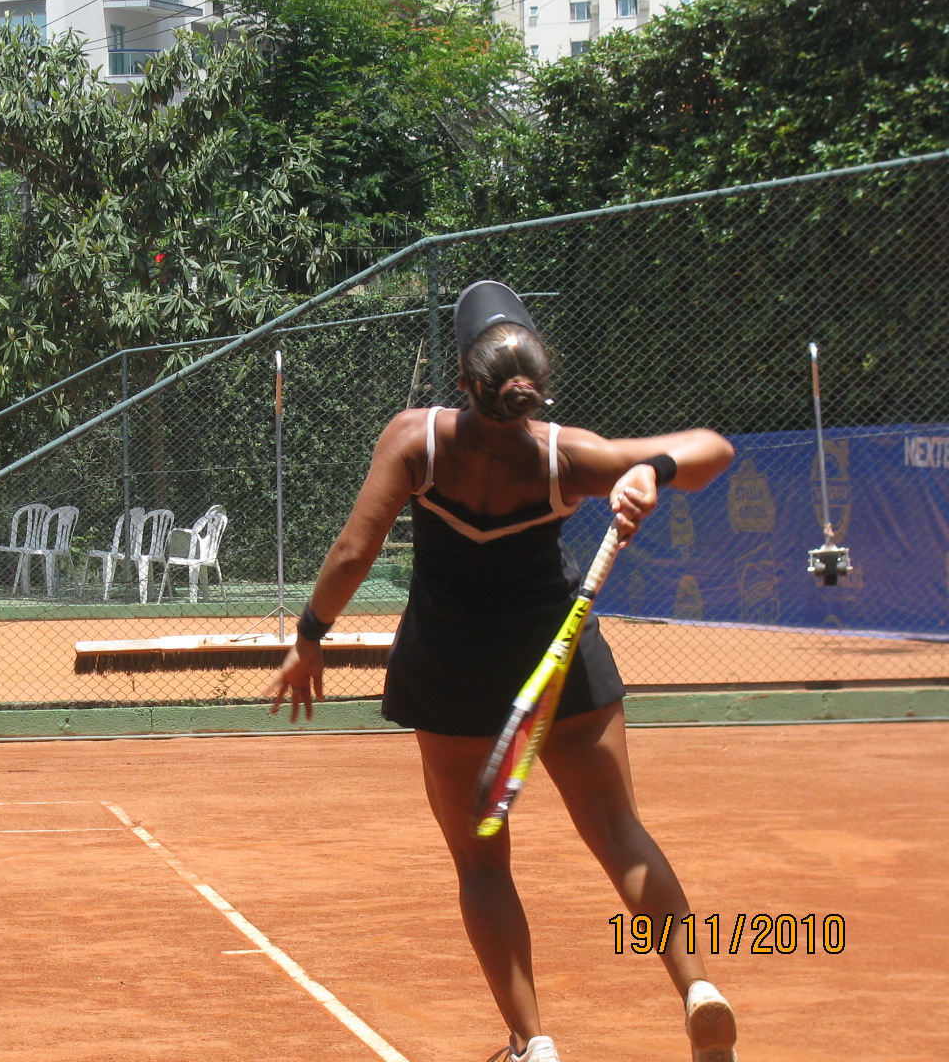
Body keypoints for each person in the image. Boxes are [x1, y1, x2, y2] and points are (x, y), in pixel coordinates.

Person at [267, 281, 739, 1062]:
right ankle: (696, 987)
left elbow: (354, 551)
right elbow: (712, 449)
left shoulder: (416, 440)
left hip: (452, 677)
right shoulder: (567, 455)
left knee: (482, 864)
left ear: (464, 378)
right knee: (620, 834)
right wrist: (651, 469)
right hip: (561, 669)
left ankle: (533, 1041)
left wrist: (309, 638)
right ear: (535, 387)